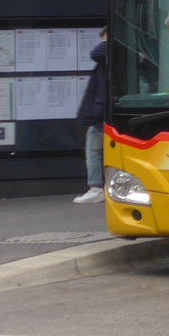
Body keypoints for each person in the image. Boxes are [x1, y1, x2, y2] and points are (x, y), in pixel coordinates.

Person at [73, 25, 107, 204]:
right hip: (104, 112)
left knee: (94, 151)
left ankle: (95, 188)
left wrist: (108, 38)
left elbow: (96, 53)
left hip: (101, 114)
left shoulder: (109, 52)